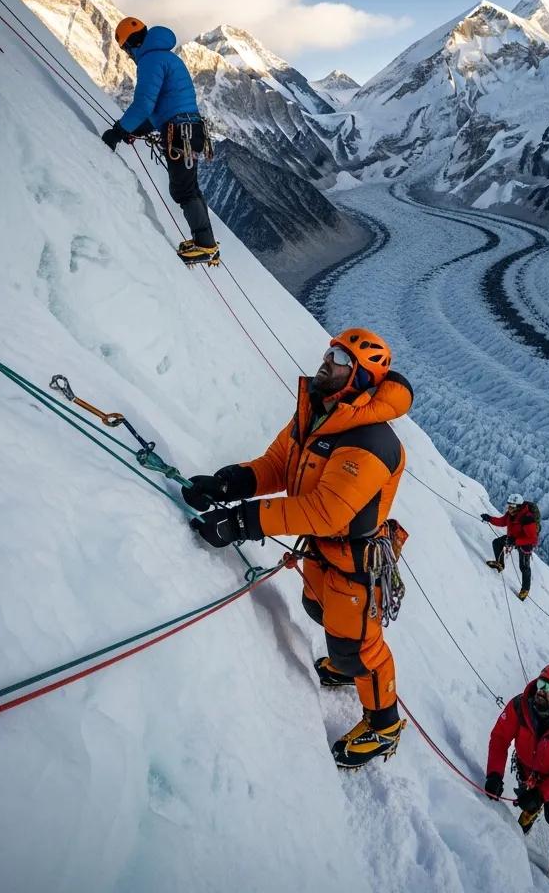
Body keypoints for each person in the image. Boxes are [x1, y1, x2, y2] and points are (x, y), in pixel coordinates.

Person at [184, 329, 413, 768]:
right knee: (317, 610)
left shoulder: (373, 441)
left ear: (361, 379)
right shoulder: (317, 415)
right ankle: (348, 668)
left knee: (358, 648)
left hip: (354, 561)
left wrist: (241, 522)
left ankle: (384, 726)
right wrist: (227, 483)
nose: (328, 361)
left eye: (342, 360)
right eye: (331, 352)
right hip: (321, 553)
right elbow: (279, 465)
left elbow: (328, 512)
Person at [101, 16, 219, 266]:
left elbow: (145, 104)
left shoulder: (151, 60)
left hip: (179, 131)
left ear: (130, 45)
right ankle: (205, 241)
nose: (128, 55)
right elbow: (161, 109)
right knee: (189, 187)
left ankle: (205, 245)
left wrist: (119, 131)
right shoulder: (166, 57)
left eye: (125, 50)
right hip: (188, 128)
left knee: (183, 189)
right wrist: (136, 130)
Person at [484, 664, 549, 883]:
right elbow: (500, 737)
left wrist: (541, 794)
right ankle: (531, 809)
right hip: (526, 770)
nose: (542, 691)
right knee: (526, 795)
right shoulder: (520, 707)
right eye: (542, 685)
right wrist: (494, 774)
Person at [481, 493, 539, 599]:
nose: (509, 508)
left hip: (525, 543)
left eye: (512, 507)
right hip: (514, 538)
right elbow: (502, 521)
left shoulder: (527, 519)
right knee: (497, 543)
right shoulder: (511, 514)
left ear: (518, 507)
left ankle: (525, 589)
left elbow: (533, 539)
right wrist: (489, 518)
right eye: (509, 506)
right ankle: (500, 564)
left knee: (524, 567)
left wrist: (516, 541)